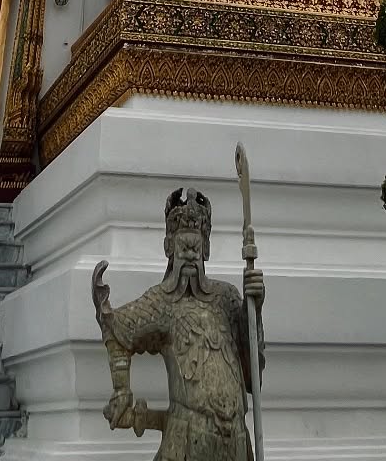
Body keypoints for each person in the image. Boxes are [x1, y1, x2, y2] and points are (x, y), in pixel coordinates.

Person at [92, 186, 265, 461]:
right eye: (183, 247)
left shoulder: (227, 298)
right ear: (169, 247)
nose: (190, 255)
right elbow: (116, 328)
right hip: (185, 442)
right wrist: (121, 390)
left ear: (206, 248)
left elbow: (251, 368)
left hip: (236, 440)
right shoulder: (162, 303)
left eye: (196, 247)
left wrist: (253, 309)